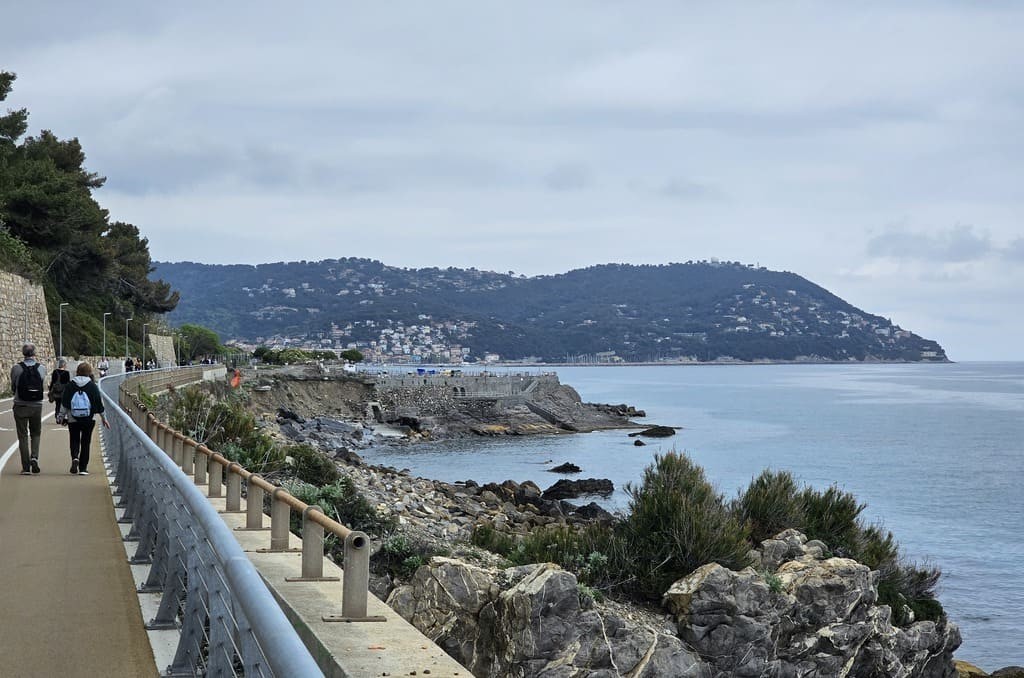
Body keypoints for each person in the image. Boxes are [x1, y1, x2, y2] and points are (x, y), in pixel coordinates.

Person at [60, 362, 109, 475]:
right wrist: (104, 418)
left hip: (73, 418)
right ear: (90, 373)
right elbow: (99, 403)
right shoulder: (92, 386)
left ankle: (75, 457)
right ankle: (83, 468)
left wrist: (61, 416)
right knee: (86, 442)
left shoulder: (70, 385)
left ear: (77, 372)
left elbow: (65, 403)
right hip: (88, 418)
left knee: (74, 439)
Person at [10, 343, 46, 475]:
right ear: (34, 353)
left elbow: (13, 385)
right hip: (37, 405)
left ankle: (25, 467)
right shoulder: (41, 368)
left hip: (20, 405)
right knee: (36, 433)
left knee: (23, 436)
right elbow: (42, 384)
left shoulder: (16, 368)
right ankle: (34, 457)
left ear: (23, 353)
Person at [48, 358, 72, 424]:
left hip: (56, 391)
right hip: (64, 391)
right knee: (63, 405)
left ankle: (57, 416)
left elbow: (53, 381)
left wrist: (50, 390)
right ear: (64, 365)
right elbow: (68, 382)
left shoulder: (55, 372)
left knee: (57, 404)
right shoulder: (67, 373)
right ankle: (62, 417)